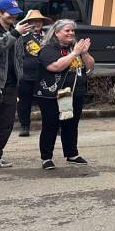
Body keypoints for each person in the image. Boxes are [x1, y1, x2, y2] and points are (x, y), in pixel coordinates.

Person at [35, 20, 93, 170]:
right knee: (51, 125)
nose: (71, 33)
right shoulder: (48, 49)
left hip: (73, 94)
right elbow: (55, 66)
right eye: (67, 30)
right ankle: (46, 157)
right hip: (53, 94)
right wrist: (74, 53)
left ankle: (72, 154)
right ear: (57, 32)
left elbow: (90, 66)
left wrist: (84, 52)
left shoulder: (76, 48)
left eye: (72, 31)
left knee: (71, 125)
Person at [0, 0, 30, 167]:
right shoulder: (15, 32)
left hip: (11, 85)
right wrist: (16, 33)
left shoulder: (15, 31)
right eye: (10, 13)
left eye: (16, 13)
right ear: (0, 13)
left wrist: (20, 76)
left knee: (6, 123)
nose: (14, 16)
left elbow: (19, 57)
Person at [15, 10, 49, 137]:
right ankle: (24, 126)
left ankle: (52, 126)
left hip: (45, 75)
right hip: (26, 75)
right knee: (24, 102)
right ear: (28, 23)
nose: (37, 23)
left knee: (47, 102)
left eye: (39, 21)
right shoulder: (21, 37)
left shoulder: (48, 36)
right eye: (33, 21)